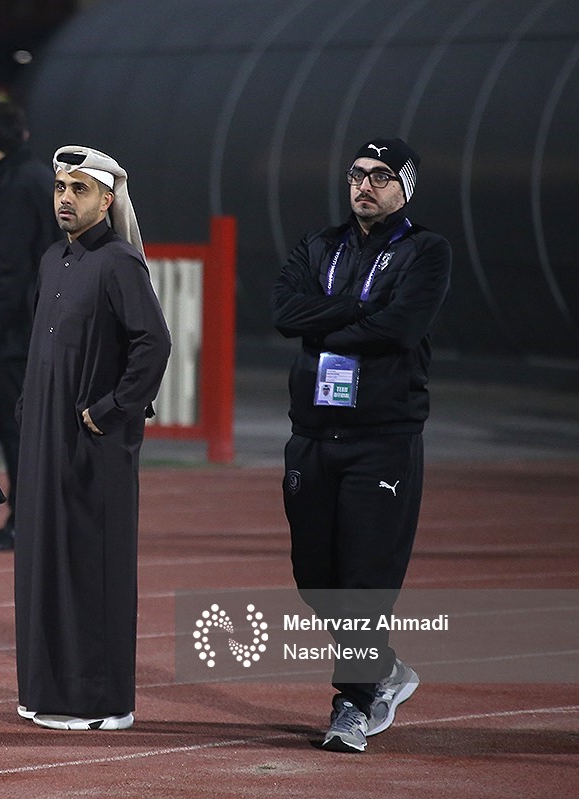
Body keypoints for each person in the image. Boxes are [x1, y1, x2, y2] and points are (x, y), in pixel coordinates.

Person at [271, 137, 451, 753]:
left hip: (382, 439)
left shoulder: (427, 250)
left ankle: (352, 702)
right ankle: (385, 669)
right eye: (356, 175)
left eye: (379, 176)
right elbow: (283, 312)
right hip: (312, 435)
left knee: (363, 580)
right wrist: (355, 308)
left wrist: (322, 318)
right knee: (314, 579)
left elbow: (401, 328)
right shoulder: (318, 245)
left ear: (405, 187)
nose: (364, 186)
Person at [15, 145, 171, 731]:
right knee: (45, 563)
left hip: (94, 445)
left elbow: (154, 343)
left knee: (90, 568)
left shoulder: (120, 262)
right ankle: (46, 693)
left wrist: (111, 410)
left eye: (78, 189)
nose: (65, 198)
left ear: (107, 200)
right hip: (46, 440)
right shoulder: (52, 258)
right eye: (60, 187)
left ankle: (100, 702)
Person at [0, 100, 61, 552]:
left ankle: (26, 523)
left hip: (19, 328)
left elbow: (12, 268)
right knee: (41, 426)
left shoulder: (11, 185)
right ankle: (43, 520)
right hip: (47, 318)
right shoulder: (42, 178)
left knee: (16, 425)